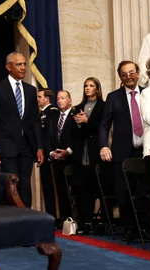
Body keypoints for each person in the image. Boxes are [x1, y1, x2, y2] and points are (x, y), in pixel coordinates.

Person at [0, 52, 44, 208]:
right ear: (8, 67)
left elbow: (35, 121)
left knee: (25, 184)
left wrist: (39, 147)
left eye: (24, 64)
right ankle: (10, 220)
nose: (23, 67)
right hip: (6, 146)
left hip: (27, 147)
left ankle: (27, 220)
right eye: (19, 64)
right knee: (11, 185)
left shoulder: (31, 90)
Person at [99, 60, 145, 240]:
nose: (128, 76)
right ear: (120, 77)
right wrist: (103, 145)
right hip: (122, 152)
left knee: (143, 191)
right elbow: (104, 124)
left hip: (145, 151)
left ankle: (144, 227)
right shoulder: (113, 97)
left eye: (131, 72)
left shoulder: (148, 94)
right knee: (124, 192)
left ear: (138, 73)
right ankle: (129, 228)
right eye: (124, 73)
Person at [72, 77, 105, 234]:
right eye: (86, 85)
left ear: (97, 89)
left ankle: (103, 222)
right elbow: (73, 132)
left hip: (96, 151)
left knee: (98, 187)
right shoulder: (78, 107)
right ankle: (85, 221)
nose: (88, 88)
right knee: (83, 188)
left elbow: (103, 128)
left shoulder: (103, 106)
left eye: (91, 86)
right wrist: (78, 123)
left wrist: (87, 120)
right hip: (81, 152)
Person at [46, 90, 78, 222]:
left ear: (70, 100)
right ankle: (65, 218)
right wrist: (51, 153)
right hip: (56, 159)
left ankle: (75, 219)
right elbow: (47, 137)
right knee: (60, 190)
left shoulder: (75, 115)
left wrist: (68, 151)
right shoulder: (53, 117)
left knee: (74, 189)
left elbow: (78, 137)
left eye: (63, 98)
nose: (59, 101)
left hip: (71, 159)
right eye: (58, 98)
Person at [37, 88, 59, 217]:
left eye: (40, 96)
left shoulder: (52, 113)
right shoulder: (41, 114)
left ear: (47, 99)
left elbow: (50, 135)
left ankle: (55, 215)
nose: (38, 99)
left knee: (52, 186)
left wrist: (50, 151)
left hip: (50, 154)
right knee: (46, 185)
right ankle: (50, 214)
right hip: (43, 154)